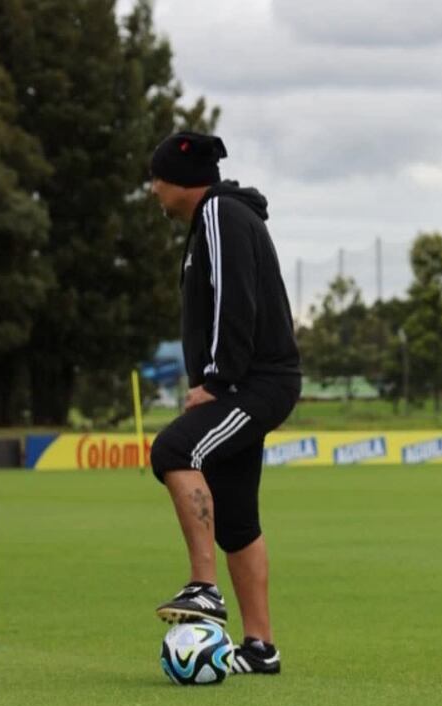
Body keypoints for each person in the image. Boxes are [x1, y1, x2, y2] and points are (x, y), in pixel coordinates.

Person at [147, 131, 301, 676]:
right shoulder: (220, 219)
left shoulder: (218, 215)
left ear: (180, 182)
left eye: (157, 180)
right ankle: (260, 648)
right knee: (237, 517)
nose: (153, 191)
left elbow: (234, 302)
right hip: (253, 382)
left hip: (251, 383)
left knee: (172, 451)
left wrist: (216, 378)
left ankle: (204, 588)